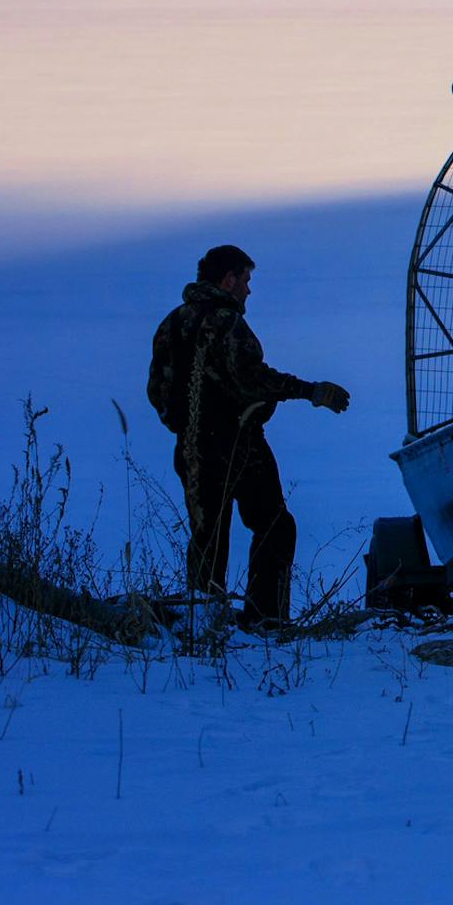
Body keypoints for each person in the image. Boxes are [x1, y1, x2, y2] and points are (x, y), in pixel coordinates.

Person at [147, 245, 350, 630]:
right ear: (229, 280)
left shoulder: (171, 324)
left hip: (191, 449)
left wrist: (187, 425)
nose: (249, 291)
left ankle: (203, 625)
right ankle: (266, 620)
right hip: (238, 443)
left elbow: (157, 391)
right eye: (246, 281)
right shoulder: (226, 322)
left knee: (208, 537)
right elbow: (254, 378)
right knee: (274, 524)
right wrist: (311, 392)